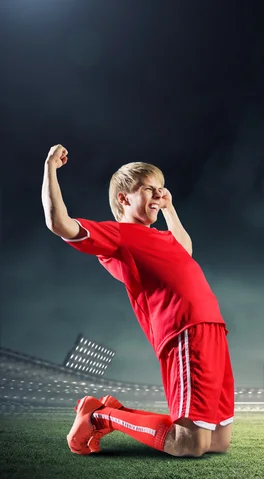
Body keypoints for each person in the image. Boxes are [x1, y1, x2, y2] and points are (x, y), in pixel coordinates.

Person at [41, 144, 234, 457]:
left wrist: (169, 207)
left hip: (213, 328)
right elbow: (58, 223)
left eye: (160, 189)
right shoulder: (119, 235)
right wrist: (50, 168)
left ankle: (108, 409)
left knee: (217, 443)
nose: (157, 195)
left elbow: (185, 249)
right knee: (190, 446)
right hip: (185, 330)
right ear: (124, 198)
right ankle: (100, 417)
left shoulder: (162, 237)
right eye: (148, 189)